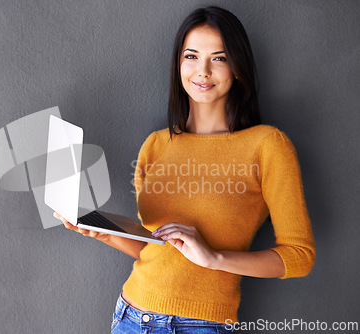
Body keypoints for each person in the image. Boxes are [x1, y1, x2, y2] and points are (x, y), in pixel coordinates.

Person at [54, 5, 315, 334]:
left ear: (237, 68)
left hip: (201, 325)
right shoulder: (156, 144)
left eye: (219, 58)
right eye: (191, 56)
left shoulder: (267, 145)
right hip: (130, 316)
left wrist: (215, 258)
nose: (203, 71)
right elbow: (155, 246)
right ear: (178, 64)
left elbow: (300, 256)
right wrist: (101, 229)